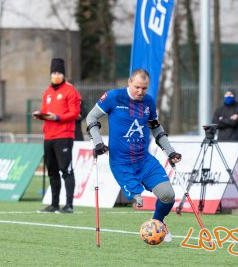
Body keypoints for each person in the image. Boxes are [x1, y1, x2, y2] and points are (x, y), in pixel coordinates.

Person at [86, 69, 182, 243]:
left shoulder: (149, 102)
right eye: (137, 87)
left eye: (144, 88)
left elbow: (156, 127)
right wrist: (98, 142)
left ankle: (158, 223)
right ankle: (153, 221)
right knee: (138, 199)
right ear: (129, 82)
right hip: (121, 162)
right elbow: (91, 117)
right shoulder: (113, 97)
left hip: (144, 159)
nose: (140, 92)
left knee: (168, 195)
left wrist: (170, 151)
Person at [33, 58, 81, 214]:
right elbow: (46, 111)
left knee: (65, 169)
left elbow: (75, 113)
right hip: (49, 136)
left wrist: (58, 118)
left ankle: (69, 205)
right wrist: (40, 115)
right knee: (52, 170)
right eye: (54, 72)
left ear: (64, 74)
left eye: (59, 73)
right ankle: (54, 204)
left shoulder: (70, 90)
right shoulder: (47, 92)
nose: (56, 75)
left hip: (64, 135)